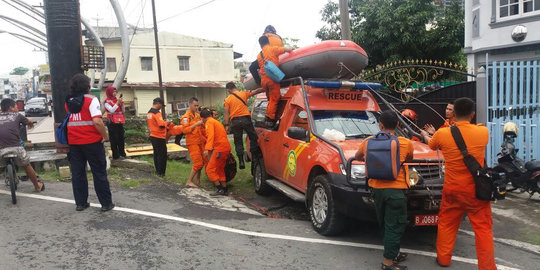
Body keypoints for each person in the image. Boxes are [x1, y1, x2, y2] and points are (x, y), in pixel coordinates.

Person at [420, 98, 495, 270]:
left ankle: (444, 259)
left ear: (454, 113)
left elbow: (432, 145)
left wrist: (425, 134)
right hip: (477, 190)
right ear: (472, 114)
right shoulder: (483, 132)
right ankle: (488, 267)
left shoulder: (443, 133)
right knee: (483, 229)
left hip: (453, 189)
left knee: (447, 224)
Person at [355, 110, 414, 270]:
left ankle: (393, 253)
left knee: (385, 223)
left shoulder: (368, 141)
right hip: (395, 191)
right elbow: (410, 159)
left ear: (380, 125)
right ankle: (388, 263)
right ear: (397, 124)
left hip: (376, 189)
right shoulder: (405, 143)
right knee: (395, 225)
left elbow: (358, 156)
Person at [65, 74, 114, 212]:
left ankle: (80, 203)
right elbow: (97, 121)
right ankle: (106, 204)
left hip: (74, 143)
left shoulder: (68, 100)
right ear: (87, 87)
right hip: (92, 142)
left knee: (78, 173)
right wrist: (105, 136)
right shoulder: (92, 100)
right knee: (99, 172)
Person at [0, 98, 45, 192]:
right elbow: (29, 122)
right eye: (16, 106)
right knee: (26, 165)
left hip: (1, 149)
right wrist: (30, 123)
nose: (17, 108)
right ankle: (37, 186)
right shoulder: (17, 115)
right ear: (11, 108)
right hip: (16, 148)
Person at [223, 82, 265, 169]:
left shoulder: (227, 100)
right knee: (253, 137)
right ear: (235, 87)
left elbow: (226, 113)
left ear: (228, 89)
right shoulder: (243, 93)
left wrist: (226, 125)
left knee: (238, 141)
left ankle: (241, 161)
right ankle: (253, 157)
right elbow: (255, 91)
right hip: (246, 119)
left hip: (235, 121)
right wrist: (264, 88)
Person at [257, 35, 292, 127]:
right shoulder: (273, 49)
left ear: (260, 44)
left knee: (271, 100)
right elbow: (287, 49)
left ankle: (273, 116)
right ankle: (270, 119)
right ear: (268, 41)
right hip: (272, 79)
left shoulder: (259, 55)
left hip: (264, 80)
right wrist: (292, 48)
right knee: (274, 99)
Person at [201, 109, 232, 196]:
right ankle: (225, 189)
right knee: (219, 169)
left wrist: (207, 149)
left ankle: (220, 189)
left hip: (220, 149)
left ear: (203, 118)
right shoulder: (216, 122)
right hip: (225, 148)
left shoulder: (209, 123)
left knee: (210, 169)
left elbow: (210, 136)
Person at [182, 97, 206, 187]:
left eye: (197, 106)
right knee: (198, 163)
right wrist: (195, 124)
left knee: (202, 162)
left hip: (200, 141)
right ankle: (189, 181)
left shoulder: (197, 115)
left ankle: (197, 181)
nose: (196, 107)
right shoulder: (186, 117)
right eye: (195, 105)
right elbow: (184, 130)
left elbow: (202, 129)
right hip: (192, 143)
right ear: (190, 104)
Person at [146, 98, 168, 177]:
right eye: (161, 105)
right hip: (159, 136)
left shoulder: (149, 113)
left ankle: (157, 171)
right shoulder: (157, 113)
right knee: (162, 155)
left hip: (153, 135)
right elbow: (161, 125)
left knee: (156, 154)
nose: (161, 107)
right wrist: (166, 123)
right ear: (158, 104)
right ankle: (161, 173)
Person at [104, 85, 127, 160]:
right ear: (109, 92)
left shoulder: (117, 100)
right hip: (112, 122)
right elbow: (111, 110)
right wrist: (117, 103)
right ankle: (116, 155)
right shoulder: (106, 101)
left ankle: (122, 154)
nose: (115, 93)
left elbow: (123, 111)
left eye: (115, 91)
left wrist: (122, 104)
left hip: (119, 121)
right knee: (114, 139)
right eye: (113, 92)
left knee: (121, 138)